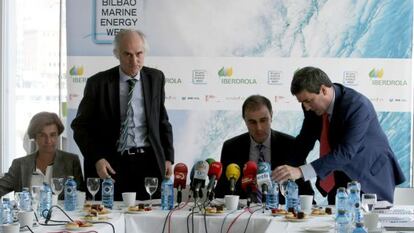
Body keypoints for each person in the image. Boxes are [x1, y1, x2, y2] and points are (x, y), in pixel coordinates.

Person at [273, 67, 405, 204]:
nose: (306, 107)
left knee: (367, 224)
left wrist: (301, 171)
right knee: (336, 222)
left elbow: (345, 152)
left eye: (308, 101)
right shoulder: (311, 107)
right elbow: (304, 141)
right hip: (337, 176)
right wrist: (283, 172)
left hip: (370, 176)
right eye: (302, 103)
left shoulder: (357, 106)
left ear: (323, 90)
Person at [71, 29, 174, 201]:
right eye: (127, 54)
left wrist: (168, 157)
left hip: (149, 163)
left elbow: (162, 120)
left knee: (149, 217)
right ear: (117, 54)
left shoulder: (156, 78)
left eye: (139, 54)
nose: (134, 61)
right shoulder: (98, 84)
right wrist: (97, 158)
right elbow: (80, 127)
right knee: (110, 218)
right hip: (111, 166)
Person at [215, 95, 314, 203]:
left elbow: (306, 193)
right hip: (242, 214)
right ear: (244, 120)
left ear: (271, 116)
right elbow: (221, 192)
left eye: (263, 120)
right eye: (252, 122)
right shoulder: (231, 147)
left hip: (280, 214)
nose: (259, 128)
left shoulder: (291, 145)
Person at [0, 112, 83, 197]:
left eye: (53, 135)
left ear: (58, 135)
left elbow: (81, 196)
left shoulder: (71, 161)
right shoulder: (19, 164)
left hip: (63, 210)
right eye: (42, 135)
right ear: (34, 137)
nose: (48, 141)